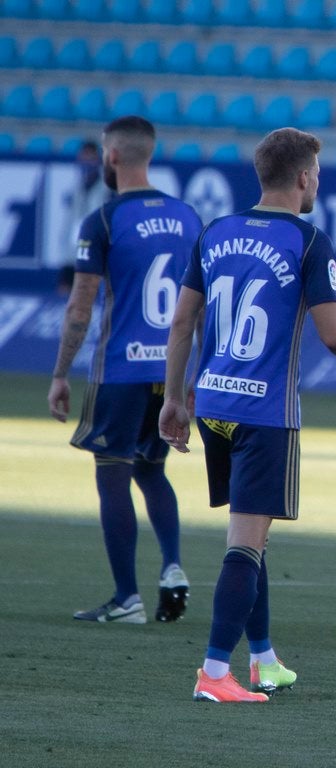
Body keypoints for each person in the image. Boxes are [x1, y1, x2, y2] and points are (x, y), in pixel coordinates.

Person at [158, 127, 336, 703]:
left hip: (213, 403)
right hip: (264, 413)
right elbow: (335, 334)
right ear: (302, 178)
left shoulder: (215, 232)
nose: (318, 182)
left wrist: (175, 398)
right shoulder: (308, 240)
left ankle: (263, 659)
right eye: (317, 174)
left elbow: (181, 323)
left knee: (254, 533)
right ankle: (214, 674)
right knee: (245, 544)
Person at [48, 116, 202, 625]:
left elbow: (79, 307)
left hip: (119, 368)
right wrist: (191, 379)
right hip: (170, 370)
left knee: (112, 475)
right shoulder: (188, 218)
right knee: (152, 470)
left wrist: (59, 373)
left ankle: (126, 597)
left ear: (111, 157)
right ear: (149, 155)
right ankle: (174, 565)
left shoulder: (104, 220)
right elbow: (201, 308)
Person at [54, 140, 113, 295]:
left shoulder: (106, 189)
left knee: (91, 291)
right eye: (83, 157)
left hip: (96, 247)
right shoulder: (76, 187)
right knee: (66, 288)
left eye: (90, 157)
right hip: (74, 248)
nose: (85, 162)